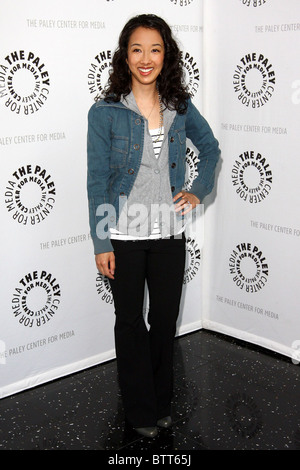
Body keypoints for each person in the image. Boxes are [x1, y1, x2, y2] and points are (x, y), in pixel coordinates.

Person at [87, 14, 220, 438]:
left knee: (163, 322)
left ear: (167, 55)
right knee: (130, 324)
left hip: (167, 234)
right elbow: (96, 180)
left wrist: (197, 190)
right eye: (137, 49)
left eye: (155, 49)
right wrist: (101, 240)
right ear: (125, 56)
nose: (146, 58)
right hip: (123, 235)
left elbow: (211, 148)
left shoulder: (178, 107)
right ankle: (140, 410)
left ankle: (161, 403)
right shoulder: (105, 112)